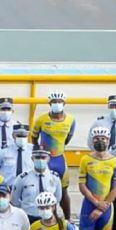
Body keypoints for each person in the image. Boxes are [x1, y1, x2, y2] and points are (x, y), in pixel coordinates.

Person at [31, 90, 75, 218]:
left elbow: (67, 139)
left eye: (59, 102)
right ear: (50, 103)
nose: (57, 104)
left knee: (63, 191)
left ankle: (68, 219)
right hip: (45, 160)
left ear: (64, 103)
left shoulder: (71, 120)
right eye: (54, 102)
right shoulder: (41, 119)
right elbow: (34, 138)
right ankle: (51, 217)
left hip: (60, 160)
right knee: (46, 190)